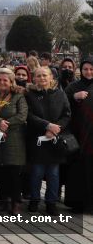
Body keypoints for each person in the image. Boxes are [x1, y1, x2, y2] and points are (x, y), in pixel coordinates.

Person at [25, 66, 70, 215]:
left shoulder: (60, 94)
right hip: (37, 140)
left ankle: (51, 202)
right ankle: (34, 200)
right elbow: (29, 115)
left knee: (53, 174)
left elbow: (67, 114)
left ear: (51, 78)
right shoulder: (29, 95)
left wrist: (56, 128)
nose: (42, 78)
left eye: (45, 75)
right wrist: (47, 125)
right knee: (36, 173)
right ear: (34, 78)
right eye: (39, 76)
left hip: (54, 140)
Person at [0, 68, 28, 214]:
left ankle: (16, 202)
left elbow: (22, 116)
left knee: (14, 173)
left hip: (14, 139)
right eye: (0, 79)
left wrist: (5, 125)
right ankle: (3, 199)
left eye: (6, 80)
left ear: (11, 82)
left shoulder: (18, 96)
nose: (2, 82)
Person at [63, 58, 93, 212]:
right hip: (76, 134)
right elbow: (62, 103)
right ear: (80, 70)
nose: (88, 72)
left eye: (91, 69)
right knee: (77, 168)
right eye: (85, 69)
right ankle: (77, 203)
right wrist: (74, 97)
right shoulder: (73, 87)